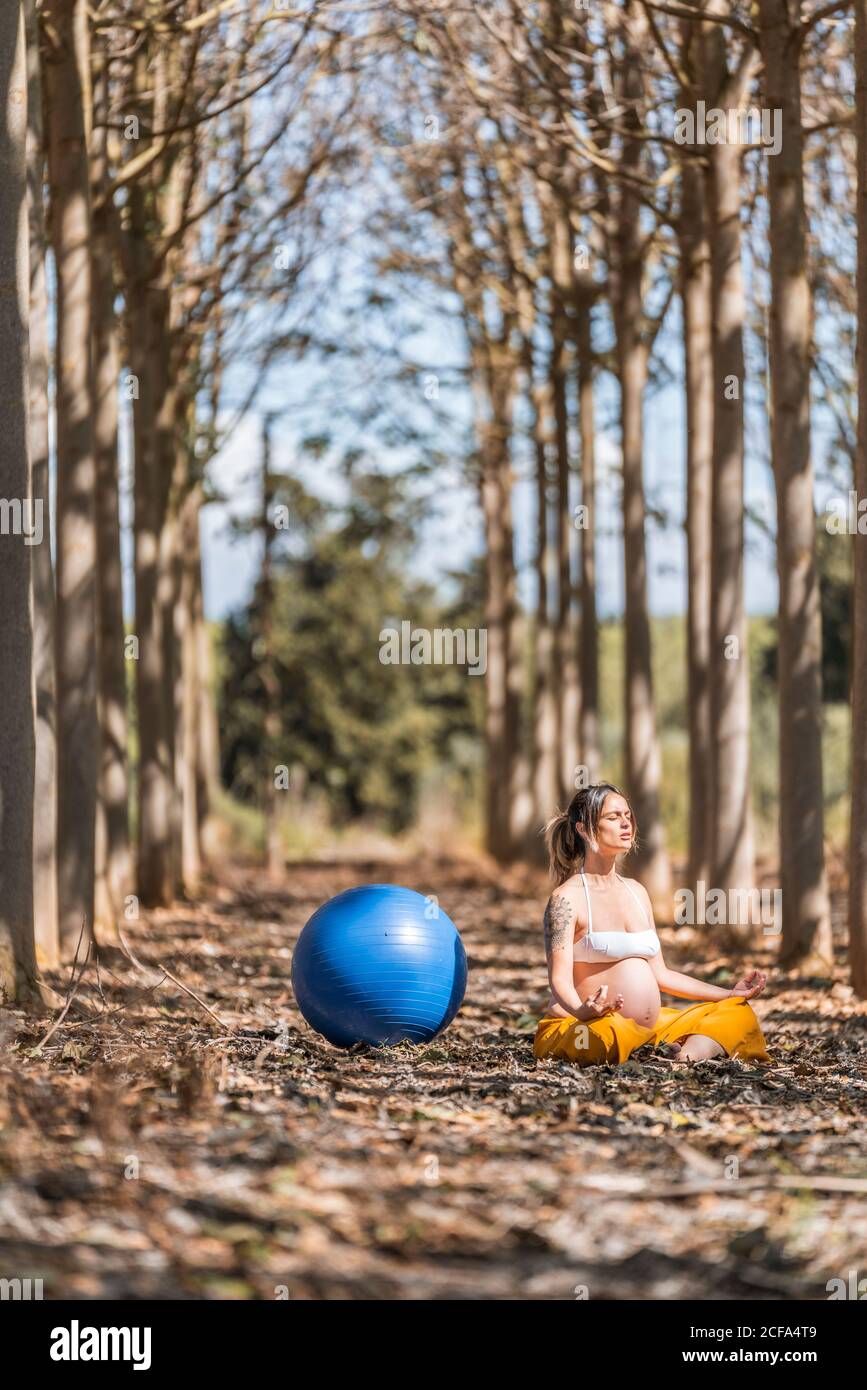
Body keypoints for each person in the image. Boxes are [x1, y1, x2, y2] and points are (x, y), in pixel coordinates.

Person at [533, 783, 770, 1067]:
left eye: (627, 815)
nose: (625, 823)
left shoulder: (637, 891)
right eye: (612, 817)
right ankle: (666, 1050)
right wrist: (583, 1011)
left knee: (737, 1013)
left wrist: (728, 994)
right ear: (583, 829)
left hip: (649, 1028)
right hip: (585, 1024)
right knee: (604, 1035)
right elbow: (558, 980)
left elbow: (661, 974)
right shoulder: (565, 899)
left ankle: (685, 1056)